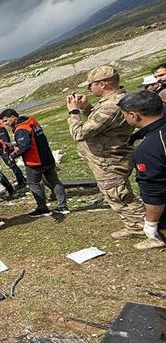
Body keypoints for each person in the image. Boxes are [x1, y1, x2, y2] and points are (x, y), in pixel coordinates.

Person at [68, 65, 144, 238]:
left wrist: (73, 112)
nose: (89, 88)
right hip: (106, 157)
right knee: (116, 194)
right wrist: (87, 108)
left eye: (91, 85)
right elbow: (100, 125)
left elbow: (79, 133)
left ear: (102, 84)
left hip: (108, 159)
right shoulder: (116, 101)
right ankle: (134, 226)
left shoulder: (111, 106)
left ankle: (141, 228)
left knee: (119, 195)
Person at [118, 91, 166, 249]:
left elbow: (155, 190)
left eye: (124, 115)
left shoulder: (149, 147)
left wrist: (151, 224)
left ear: (133, 115)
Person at [0, 109, 69, 216]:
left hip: (35, 161)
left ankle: (42, 208)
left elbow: (24, 146)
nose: (5, 124)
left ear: (13, 117)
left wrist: (13, 155)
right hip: (47, 158)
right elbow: (31, 140)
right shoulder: (31, 122)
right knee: (55, 181)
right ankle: (62, 206)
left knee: (33, 183)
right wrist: (13, 145)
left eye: (6, 121)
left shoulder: (21, 129)